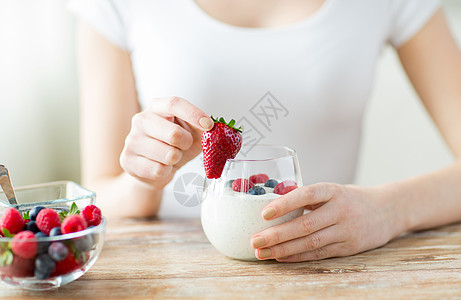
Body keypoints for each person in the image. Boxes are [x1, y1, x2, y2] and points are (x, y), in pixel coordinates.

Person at [68, 0, 461, 262]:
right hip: (177, 271)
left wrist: (389, 210)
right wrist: (148, 175)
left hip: (324, 267)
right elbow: (99, 198)